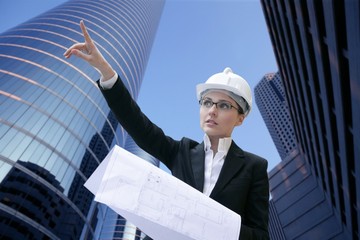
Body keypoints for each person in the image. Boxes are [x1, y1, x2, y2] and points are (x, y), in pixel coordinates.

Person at [64, 20, 269, 240]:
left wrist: (212, 223)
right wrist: (104, 70)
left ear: (240, 118)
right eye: (207, 102)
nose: (212, 111)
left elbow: (259, 236)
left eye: (224, 105)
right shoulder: (182, 152)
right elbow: (140, 127)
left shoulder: (254, 167)